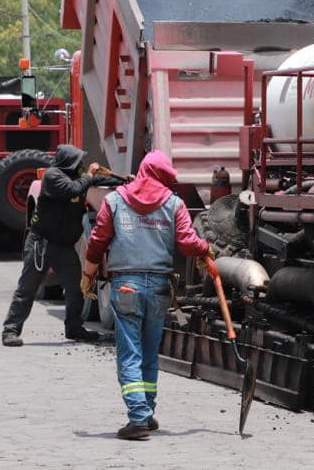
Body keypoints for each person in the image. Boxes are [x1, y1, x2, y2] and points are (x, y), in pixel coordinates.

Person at [82, 149, 212, 440]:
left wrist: (88, 274)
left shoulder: (114, 200)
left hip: (126, 284)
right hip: (159, 287)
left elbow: (97, 241)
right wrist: (206, 250)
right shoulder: (174, 203)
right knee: (150, 352)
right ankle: (148, 411)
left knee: (130, 353)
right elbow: (188, 243)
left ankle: (138, 417)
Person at [1, 144, 102, 347]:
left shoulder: (78, 177)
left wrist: (125, 180)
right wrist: (89, 176)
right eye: (78, 160)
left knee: (76, 289)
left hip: (64, 245)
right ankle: (11, 330)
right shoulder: (52, 176)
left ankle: (74, 328)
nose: (81, 165)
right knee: (27, 287)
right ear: (68, 161)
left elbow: (100, 180)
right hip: (42, 243)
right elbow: (70, 190)